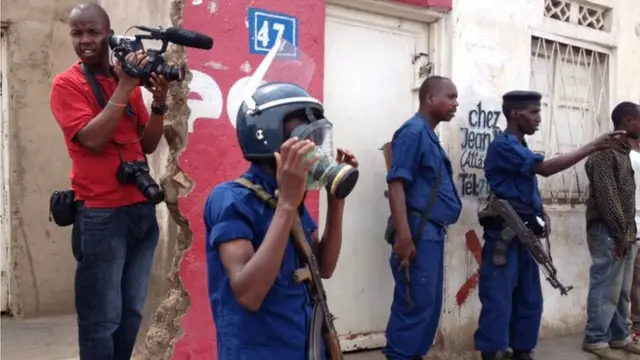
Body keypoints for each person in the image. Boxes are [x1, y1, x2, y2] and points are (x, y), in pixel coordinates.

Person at [49, 3, 169, 360]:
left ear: (109, 34)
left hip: (141, 212)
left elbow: (146, 144)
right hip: (100, 217)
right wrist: (127, 85)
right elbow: (92, 139)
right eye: (77, 33)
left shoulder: (125, 82)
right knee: (101, 318)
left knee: (131, 311)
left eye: (93, 32)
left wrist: (159, 103)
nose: (85, 41)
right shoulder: (67, 84)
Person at [204, 82, 357, 359]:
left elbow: (323, 267)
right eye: (301, 142)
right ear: (267, 138)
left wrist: (336, 203)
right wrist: (286, 204)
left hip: (303, 345)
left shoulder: (288, 198)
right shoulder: (231, 199)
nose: (312, 152)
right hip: (260, 350)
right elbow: (249, 294)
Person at [474, 91, 625, 360]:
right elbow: (544, 169)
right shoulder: (503, 145)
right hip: (505, 238)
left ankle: (522, 351)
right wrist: (593, 146)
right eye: (534, 112)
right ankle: (493, 353)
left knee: (529, 300)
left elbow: (523, 187)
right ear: (515, 113)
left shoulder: (520, 147)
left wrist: (541, 211)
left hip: (524, 238)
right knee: (498, 299)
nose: (539, 118)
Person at [383, 76, 463, 360]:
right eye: (450, 97)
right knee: (413, 302)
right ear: (430, 98)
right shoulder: (413, 132)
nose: (456, 103)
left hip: (431, 232)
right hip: (416, 231)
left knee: (427, 304)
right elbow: (396, 184)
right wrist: (404, 236)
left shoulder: (427, 134)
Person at [583, 102, 640, 359]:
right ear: (628, 121)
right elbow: (608, 198)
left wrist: (628, 234)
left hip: (625, 232)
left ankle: (619, 336)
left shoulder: (623, 153)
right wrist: (620, 233)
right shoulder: (604, 154)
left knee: (621, 289)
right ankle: (595, 338)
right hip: (608, 232)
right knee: (606, 285)